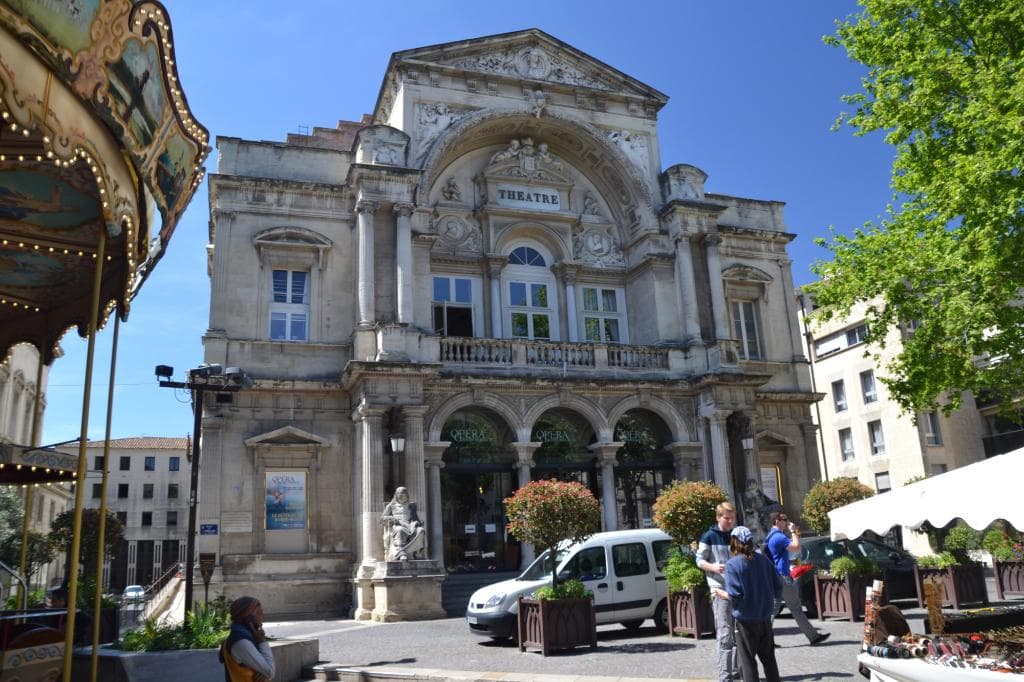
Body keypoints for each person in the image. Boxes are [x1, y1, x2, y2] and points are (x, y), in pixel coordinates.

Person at [716, 525, 782, 682]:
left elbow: (735, 595)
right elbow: (778, 586)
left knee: (747, 664)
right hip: (764, 619)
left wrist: (720, 593)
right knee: (769, 661)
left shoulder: (733, 564)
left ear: (734, 542)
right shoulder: (763, 560)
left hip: (745, 622)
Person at [764, 510, 830, 646]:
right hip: (783, 577)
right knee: (795, 608)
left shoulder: (770, 536)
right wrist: (793, 532)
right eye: (784, 519)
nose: (787, 522)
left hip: (775, 577)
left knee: (772, 610)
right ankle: (813, 637)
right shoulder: (778, 536)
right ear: (776, 521)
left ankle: (765, 640)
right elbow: (796, 548)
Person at [697, 501, 739, 681]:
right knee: (724, 633)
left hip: (737, 590)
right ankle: (725, 675)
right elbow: (699, 560)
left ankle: (737, 671)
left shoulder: (736, 536)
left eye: (732, 518)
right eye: (726, 518)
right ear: (718, 517)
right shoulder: (708, 536)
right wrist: (713, 567)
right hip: (719, 589)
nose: (730, 521)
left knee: (738, 633)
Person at [219, 596, 275, 682]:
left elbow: (267, 673)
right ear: (248, 618)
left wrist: (265, 674)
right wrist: (262, 641)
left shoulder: (247, 637)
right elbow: (270, 671)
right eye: (259, 613)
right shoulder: (240, 641)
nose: (262, 617)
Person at [381, 486, 427, 561]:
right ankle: (401, 552)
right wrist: (392, 518)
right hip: (397, 525)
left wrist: (418, 523)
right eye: (399, 493)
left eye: (403, 493)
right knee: (400, 530)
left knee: (421, 530)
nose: (401, 495)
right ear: (396, 495)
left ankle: (418, 553)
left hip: (410, 526)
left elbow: (415, 519)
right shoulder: (391, 506)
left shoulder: (411, 506)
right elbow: (382, 518)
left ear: (407, 495)